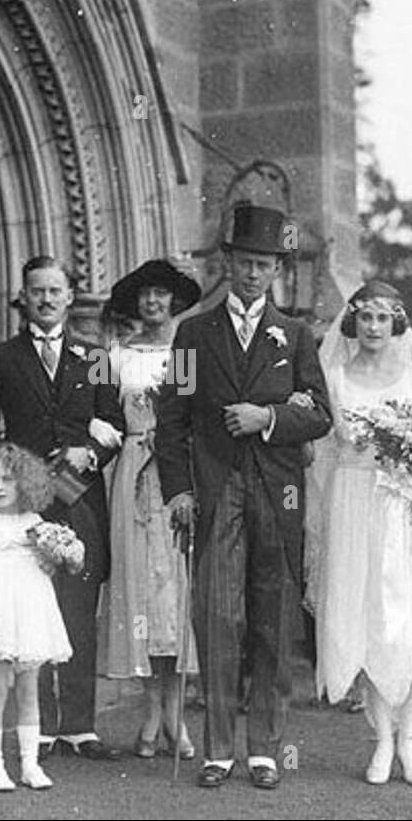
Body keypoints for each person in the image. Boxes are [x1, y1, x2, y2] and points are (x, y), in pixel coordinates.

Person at [154, 204, 332, 790]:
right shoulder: (192, 332)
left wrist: (268, 417)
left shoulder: (298, 335)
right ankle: (219, 748)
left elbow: (321, 416)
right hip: (215, 488)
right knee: (218, 615)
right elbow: (171, 420)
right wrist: (178, 489)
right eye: (245, 262)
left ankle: (264, 746)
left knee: (273, 619)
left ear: (277, 269)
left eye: (265, 264)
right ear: (227, 263)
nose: (254, 274)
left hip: (277, 491)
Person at [306, 281, 412, 787]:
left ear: (396, 322)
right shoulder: (333, 375)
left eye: (383, 318)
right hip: (355, 504)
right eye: (365, 317)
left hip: (410, 508)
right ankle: (381, 741)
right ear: (352, 322)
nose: (373, 327)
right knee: (369, 619)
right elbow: (323, 455)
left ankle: (408, 739)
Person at [0, 257, 126, 760]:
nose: (47, 299)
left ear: (69, 296)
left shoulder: (96, 355)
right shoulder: (0, 357)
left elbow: (116, 424)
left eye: (55, 291)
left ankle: (79, 726)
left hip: (79, 496)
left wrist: (92, 452)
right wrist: (10, 467)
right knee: (26, 604)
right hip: (25, 502)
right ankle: (34, 725)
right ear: (24, 296)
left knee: (78, 604)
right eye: (37, 291)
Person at [98, 260, 202, 760]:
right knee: (140, 588)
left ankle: (176, 714)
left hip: (177, 473)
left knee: (175, 589)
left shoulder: (187, 351)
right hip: (133, 467)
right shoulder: (115, 354)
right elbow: (94, 408)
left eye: (162, 295)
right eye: (146, 296)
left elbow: (197, 414)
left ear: (175, 302)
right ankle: (150, 710)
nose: (154, 303)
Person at [0, 444, 73, 790]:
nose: (0, 487)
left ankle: (29, 764)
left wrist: (57, 558)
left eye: (8, 479)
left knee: (30, 691)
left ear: (24, 482)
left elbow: (45, 568)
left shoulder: (35, 523)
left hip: (29, 609)